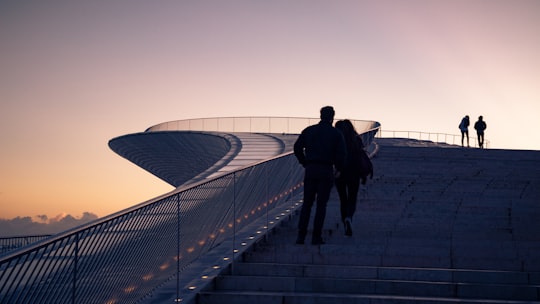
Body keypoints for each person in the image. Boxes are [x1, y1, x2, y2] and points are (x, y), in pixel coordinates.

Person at [293, 106, 347, 245]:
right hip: (326, 169)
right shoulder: (336, 134)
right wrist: (339, 169)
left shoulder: (309, 130)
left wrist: (304, 162)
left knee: (307, 204)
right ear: (332, 117)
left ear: (320, 115)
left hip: (311, 169)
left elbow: (297, 147)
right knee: (321, 205)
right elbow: (341, 154)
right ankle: (316, 236)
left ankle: (301, 235)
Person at [334, 119, 364, 236]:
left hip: (340, 173)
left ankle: (344, 220)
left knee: (343, 199)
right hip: (354, 173)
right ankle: (349, 217)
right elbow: (360, 158)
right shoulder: (356, 140)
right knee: (352, 198)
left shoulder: (336, 140)